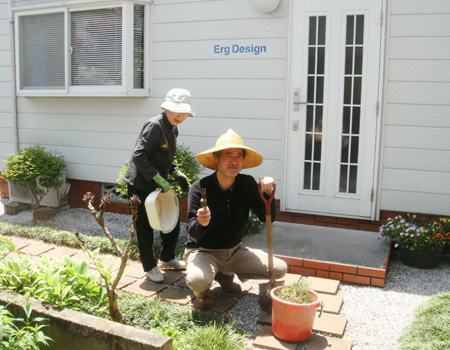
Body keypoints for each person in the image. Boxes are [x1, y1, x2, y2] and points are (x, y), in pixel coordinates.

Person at [185, 129, 287, 306]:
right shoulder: (200, 187)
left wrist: (267, 195)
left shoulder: (246, 184)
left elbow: (266, 218)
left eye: (239, 156)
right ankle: (203, 289)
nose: (234, 161)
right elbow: (192, 229)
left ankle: (225, 275)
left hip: (234, 251)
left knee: (279, 269)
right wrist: (202, 223)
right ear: (216, 159)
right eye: (228, 155)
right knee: (197, 280)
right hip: (204, 251)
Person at [124, 88, 194, 283]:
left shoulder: (173, 128)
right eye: (176, 112)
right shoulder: (154, 125)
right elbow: (139, 155)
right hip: (140, 184)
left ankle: (166, 257)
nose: (180, 116)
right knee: (144, 226)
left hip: (157, 183)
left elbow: (163, 156)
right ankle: (149, 266)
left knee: (170, 220)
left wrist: (175, 171)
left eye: (184, 113)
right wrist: (159, 179)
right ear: (166, 109)